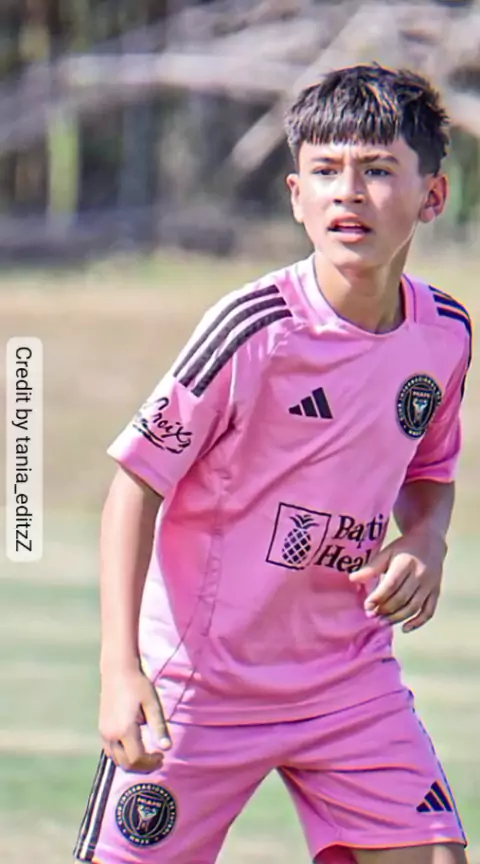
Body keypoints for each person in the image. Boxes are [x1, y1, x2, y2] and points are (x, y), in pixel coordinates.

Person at [74, 63, 472, 864]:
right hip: (200, 686)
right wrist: (121, 670)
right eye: (325, 171)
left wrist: (427, 539)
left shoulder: (445, 334)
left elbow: (429, 468)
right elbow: (135, 486)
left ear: (433, 196)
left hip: (348, 682)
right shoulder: (253, 330)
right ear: (296, 196)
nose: (347, 193)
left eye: (377, 170)